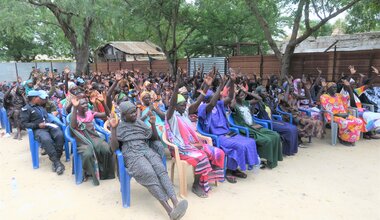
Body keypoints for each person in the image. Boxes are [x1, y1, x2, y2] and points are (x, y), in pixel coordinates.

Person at [111, 101, 187, 220]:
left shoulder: (139, 123)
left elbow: (154, 138)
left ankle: (176, 202)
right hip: (132, 154)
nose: (134, 114)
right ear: (123, 116)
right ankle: (169, 210)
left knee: (160, 169)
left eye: (134, 111)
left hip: (145, 149)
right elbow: (115, 148)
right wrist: (113, 129)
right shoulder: (119, 127)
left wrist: (152, 124)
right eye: (130, 113)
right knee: (148, 173)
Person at [166, 72, 225, 197]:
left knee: (218, 152)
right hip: (181, 148)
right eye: (181, 106)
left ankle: (207, 178)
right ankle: (196, 185)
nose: (184, 108)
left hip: (193, 144)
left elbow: (198, 101)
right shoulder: (171, 116)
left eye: (184, 105)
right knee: (201, 157)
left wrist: (207, 86)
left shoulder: (185, 112)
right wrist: (176, 87)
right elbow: (171, 104)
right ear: (175, 107)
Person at [198, 70, 260, 181]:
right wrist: (221, 85)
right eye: (212, 97)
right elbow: (212, 103)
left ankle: (236, 168)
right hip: (217, 137)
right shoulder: (204, 107)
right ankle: (229, 171)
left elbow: (230, 97)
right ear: (207, 99)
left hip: (227, 133)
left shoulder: (219, 104)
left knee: (250, 141)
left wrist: (231, 81)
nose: (216, 98)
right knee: (238, 146)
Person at [69, 94, 115, 185]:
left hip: (94, 138)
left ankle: (105, 173)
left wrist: (102, 102)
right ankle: (88, 172)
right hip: (83, 141)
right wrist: (74, 108)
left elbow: (107, 114)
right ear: (77, 106)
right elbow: (73, 126)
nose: (85, 105)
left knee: (106, 148)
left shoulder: (90, 113)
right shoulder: (74, 115)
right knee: (87, 154)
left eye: (86, 103)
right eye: (82, 104)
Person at [232, 89, 283, 168]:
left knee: (276, 135)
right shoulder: (235, 106)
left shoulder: (246, 103)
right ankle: (265, 160)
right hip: (246, 129)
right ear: (236, 97)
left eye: (244, 95)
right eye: (240, 95)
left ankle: (274, 159)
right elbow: (231, 104)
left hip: (254, 126)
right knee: (267, 140)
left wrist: (247, 92)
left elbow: (259, 99)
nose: (243, 97)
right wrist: (234, 94)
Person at [20, 90, 65, 175]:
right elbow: (23, 124)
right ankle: (57, 163)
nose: (41, 99)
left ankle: (56, 160)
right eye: (39, 98)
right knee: (46, 139)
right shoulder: (26, 109)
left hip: (49, 126)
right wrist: (37, 125)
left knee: (59, 135)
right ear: (34, 98)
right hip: (39, 129)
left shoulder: (40, 107)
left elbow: (47, 117)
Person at [255, 86, 299, 156]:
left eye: (266, 91)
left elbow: (273, 111)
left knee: (293, 128)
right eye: (264, 91)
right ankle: (287, 151)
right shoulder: (256, 103)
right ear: (258, 93)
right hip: (267, 123)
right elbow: (255, 115)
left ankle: (292, 150)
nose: (266, 93)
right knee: (289, 130)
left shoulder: (266, 101)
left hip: (273, 120)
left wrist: (273, 101)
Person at [319, 81, 364, 146]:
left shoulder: (339, 95)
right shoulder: (324, 97)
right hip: (333, 116)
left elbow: (351, 98)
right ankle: (342, 138)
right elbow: (318, 100)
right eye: (333, 88)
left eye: (335, 88)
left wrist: (349, 87)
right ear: (328, 89)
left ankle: (351, 139)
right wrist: (322, 87)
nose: (335, 89)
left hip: (344, 115)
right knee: (345, 122)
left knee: (359, 121)